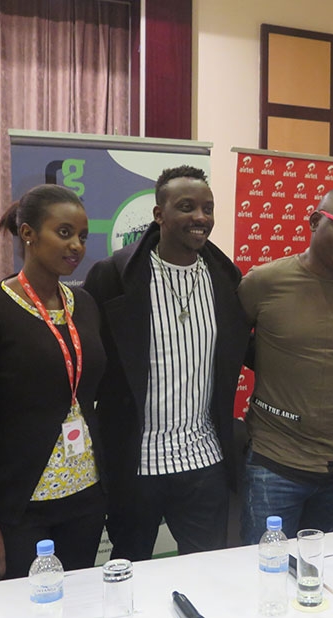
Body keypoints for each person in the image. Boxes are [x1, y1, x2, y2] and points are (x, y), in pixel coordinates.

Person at [0, 184, 107, 582]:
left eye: (82, 236)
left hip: (82, 503)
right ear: (27, 233)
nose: (76, 246)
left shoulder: (86, 306)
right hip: (14, 512)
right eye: (63, 233)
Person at [83, 165, 250, 560]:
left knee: (207, 574)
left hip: (204, 461)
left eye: (207, 208)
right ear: (159, 215)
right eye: (187, 207)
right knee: (132, 575)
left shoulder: (226, 279)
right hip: (136, 464)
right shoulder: (114, 277)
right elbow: (91, 365)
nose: (200, 218)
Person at [238, 187, 333, 544]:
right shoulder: (264, 282)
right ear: (315, 221)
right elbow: (230, 348)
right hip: (275, 464)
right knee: (264, 575)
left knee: (324, 578)